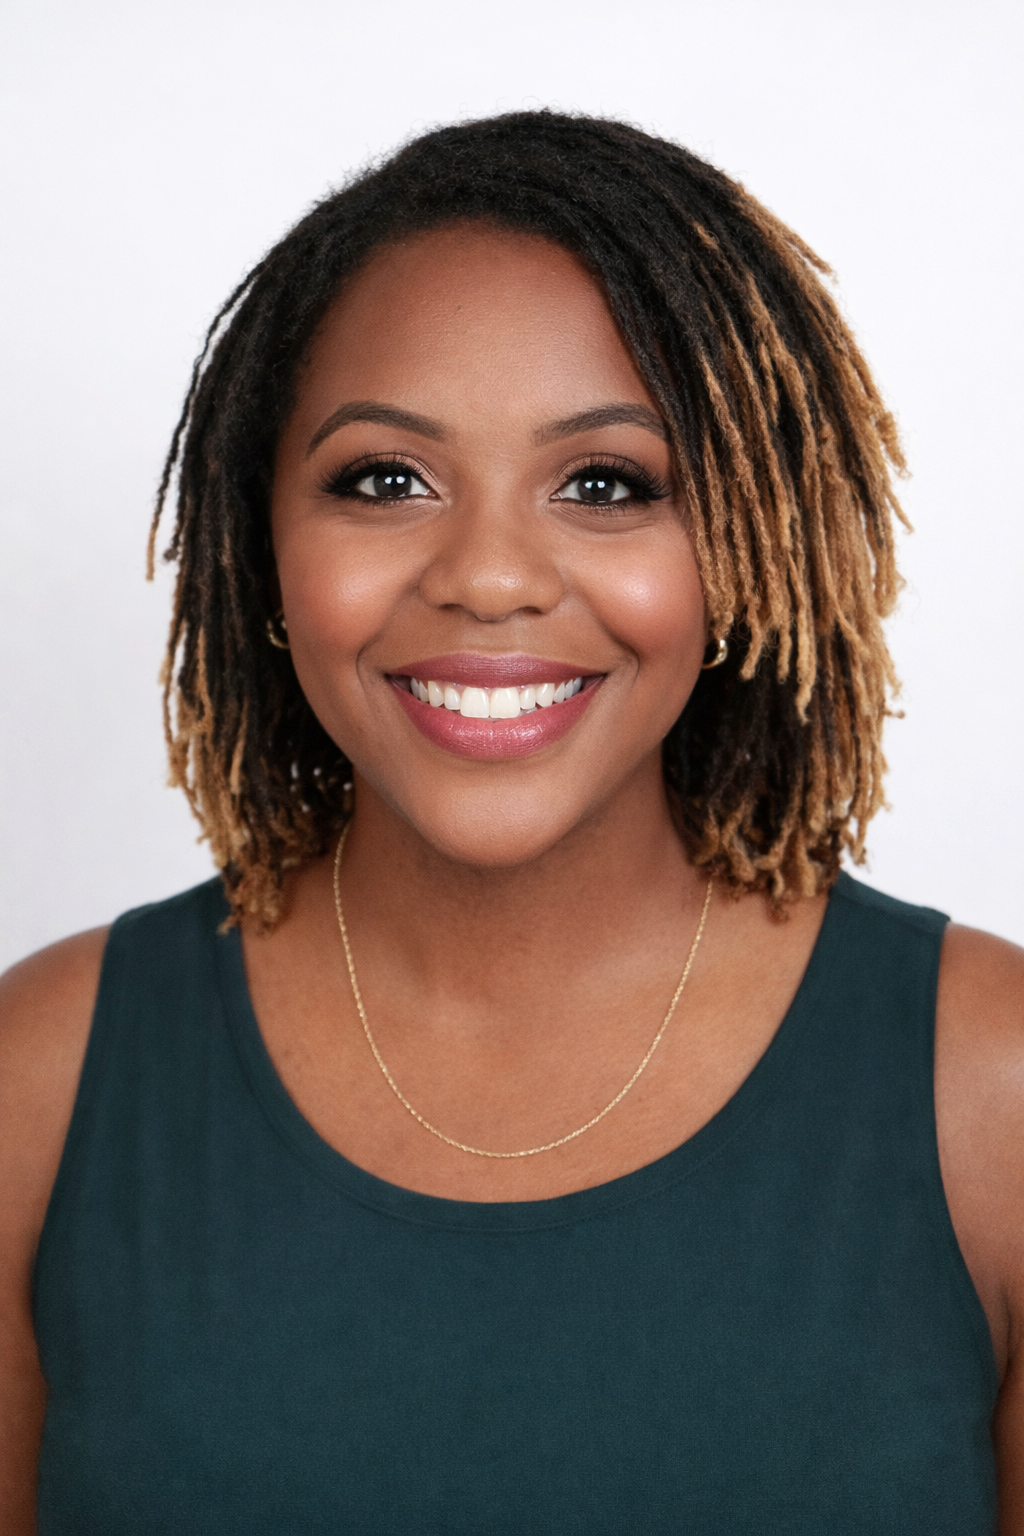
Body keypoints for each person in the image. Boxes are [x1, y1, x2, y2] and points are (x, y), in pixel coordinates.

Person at [1, 111, 1021, 1534]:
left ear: (755, 539)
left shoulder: (994, 1093)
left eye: (608, 484)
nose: (488, 576)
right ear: (261, 542)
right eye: (385, 480)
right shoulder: (37, 1086)